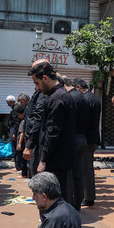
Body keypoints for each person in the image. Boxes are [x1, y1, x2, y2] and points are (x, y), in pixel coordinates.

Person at [28, 61, 76, 203]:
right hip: (61, 156)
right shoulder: (62, 95)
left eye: (37, 83)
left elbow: (53, 132)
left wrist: (43, 160)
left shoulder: (56, 98)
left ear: (45, 78)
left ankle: (56, 223)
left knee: (53, 195)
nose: (37, 88)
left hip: (56, 158)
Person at [75, 78, 101, 206]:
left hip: (88, 138)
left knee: (85, 169)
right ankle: (88, 196)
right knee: (87, 168)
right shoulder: (94, 98)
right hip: (92, 137)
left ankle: (89, 198)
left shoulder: (85, 99)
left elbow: (84, 121)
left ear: (79, 87)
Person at [66, 78, 87, 210]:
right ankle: (78, 201)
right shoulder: (83, 97)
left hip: (73, 139)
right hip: (82, 137)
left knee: (70, 173)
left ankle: (72, 202)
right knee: (78, 172)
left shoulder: (70, 97)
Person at [24, 81, 47, 178]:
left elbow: (37, 118)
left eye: (37, 83)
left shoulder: (43, 95)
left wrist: (30, 143)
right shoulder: (39, 94)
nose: (36, 86)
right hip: (35, 137)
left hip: (38, 139)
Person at [14, 104, 27, 177]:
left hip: (21, 143)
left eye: (19, 115)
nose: (19, 116)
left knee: (23, 159)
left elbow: (22, 133)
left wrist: (19, 143)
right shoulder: (23, 121)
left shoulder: (23, 122)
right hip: (21, 142)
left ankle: (24, 174)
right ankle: (23, 173)